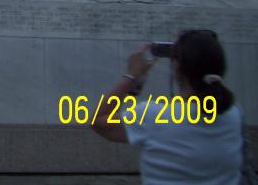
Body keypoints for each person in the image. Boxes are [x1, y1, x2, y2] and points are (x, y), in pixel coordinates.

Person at [92, 30, 243, 184]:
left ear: (178, 71)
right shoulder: (234, 112)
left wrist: (133, 75)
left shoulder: (153, 115)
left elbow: (99, 120)